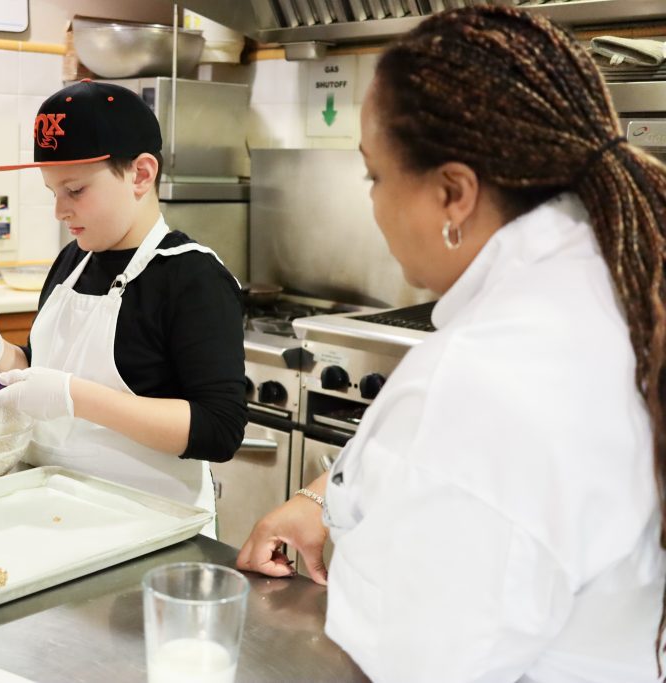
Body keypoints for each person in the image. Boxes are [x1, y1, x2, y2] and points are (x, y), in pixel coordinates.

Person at [237, 6, 666, 682]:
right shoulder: (620, 287)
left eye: (374, 176)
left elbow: (422, 664)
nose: (373, 203)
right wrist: (323, 496)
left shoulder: (484, 376)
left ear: (454, 192)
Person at [0, 80, 247, 534]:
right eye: (52, 190)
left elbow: (219, 429)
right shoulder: (74, 259)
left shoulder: (192, 277)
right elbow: (41, 371)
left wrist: (76, 397)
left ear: (141, 174)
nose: (59, 210)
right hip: (50, 512)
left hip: (148, 529)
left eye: (75, 190)